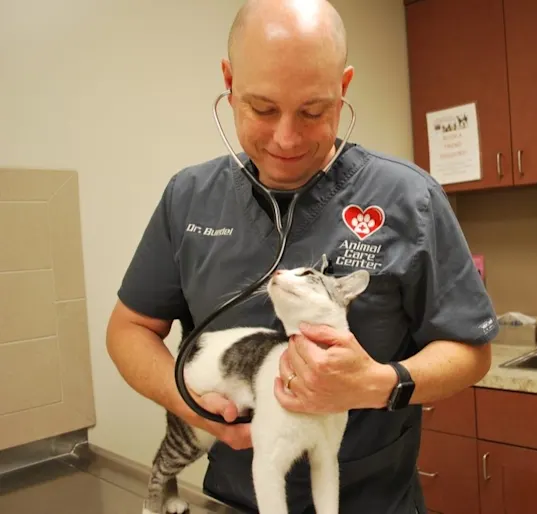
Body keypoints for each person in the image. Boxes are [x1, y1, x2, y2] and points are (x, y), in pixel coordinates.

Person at [106, 0, 498, 512]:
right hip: (232, 500)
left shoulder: (410, 198)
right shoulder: (189, 198)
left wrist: (382, 383)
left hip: (372, 501)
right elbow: (128, 329)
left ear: (344, 90)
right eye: (262, 108)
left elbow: (470, 350)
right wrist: (187, 402)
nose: (286, 139)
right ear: (229, 82)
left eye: (313, 111)